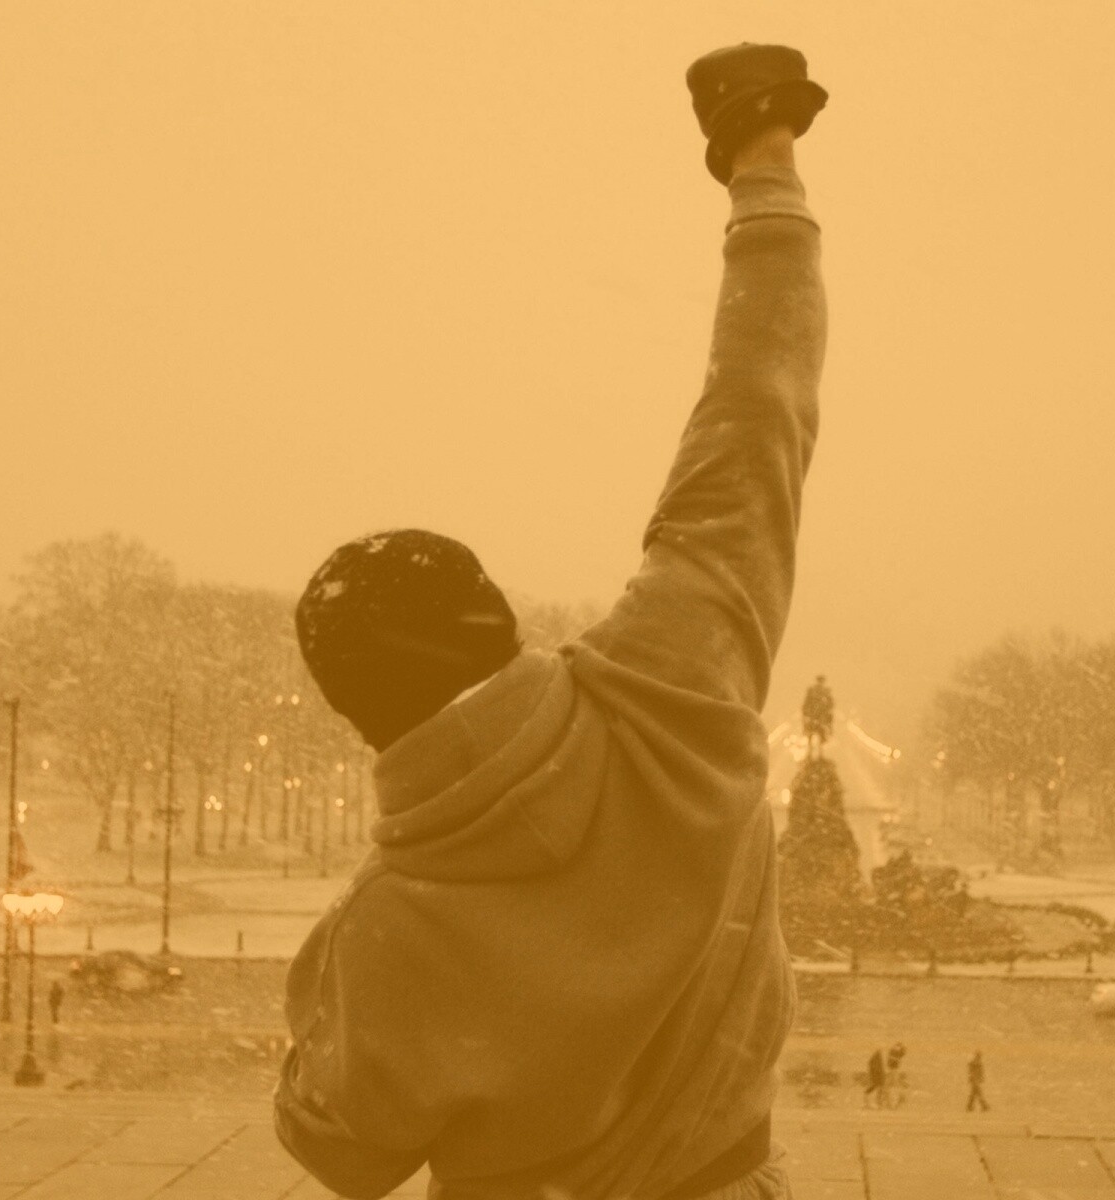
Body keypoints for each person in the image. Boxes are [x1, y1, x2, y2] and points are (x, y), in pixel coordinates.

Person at [274, 43, 830, 1200]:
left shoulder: (387, 930)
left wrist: (327, 995)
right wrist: (761, 157)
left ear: (356, 711)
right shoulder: (673, 683)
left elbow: (341, 1152)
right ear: (497, 615)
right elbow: (758, 405)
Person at [885, 1043, 907, 1109]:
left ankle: (892, 1102)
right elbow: (891, 1062)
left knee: (893, 1085)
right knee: (893, 1086)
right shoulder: (893, 1053)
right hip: (893, 1070)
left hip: (893, 1070)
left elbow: (902, 1053)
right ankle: (892, 1103)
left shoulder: (895, 1053)